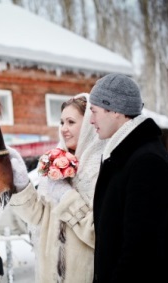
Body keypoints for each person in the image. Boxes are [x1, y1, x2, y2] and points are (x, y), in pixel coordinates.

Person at [88, 73, 168, 283]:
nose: (91, 120)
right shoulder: (125, 156)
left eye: (94, 111)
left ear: (114, 110)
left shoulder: (147, 163)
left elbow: (141, 254)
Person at [8, 93, 106, 283]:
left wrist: (66, 196)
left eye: (71, 122)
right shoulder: (53, 166)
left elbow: (100, 235)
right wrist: (21, 185)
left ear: (88, 125)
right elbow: (38, 219)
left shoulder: (102, 169)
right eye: (61, 123)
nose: (64, 129)